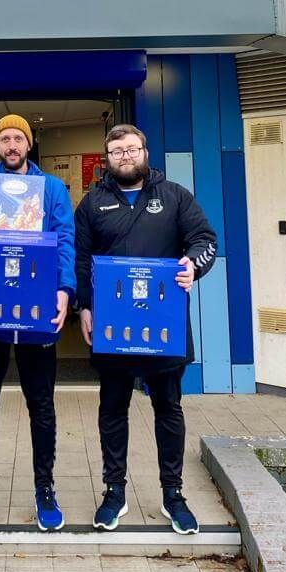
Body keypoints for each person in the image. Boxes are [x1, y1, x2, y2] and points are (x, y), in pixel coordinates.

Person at [74, 124, 216, 534]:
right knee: (112, 409)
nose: (125, 156)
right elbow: (81, 258)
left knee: (168, 408)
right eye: (117, 151)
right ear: (107, 159)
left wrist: (193, 265)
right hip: (113, 327)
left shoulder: (174, 196)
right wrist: (84, 307)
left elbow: (204, 239)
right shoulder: (93, 203)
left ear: (144, 152)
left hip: (163, 327)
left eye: (132, 149)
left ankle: (173, 494)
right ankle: (114, 491)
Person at [0, 114, 75, 531]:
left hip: (37, 313)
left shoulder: (51, 189)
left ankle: (45, 488)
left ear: (28, 144)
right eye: (4, 138)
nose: (11, 145)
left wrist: (65, 289)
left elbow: (65, 241)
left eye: (17, 138)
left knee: (41, 405)